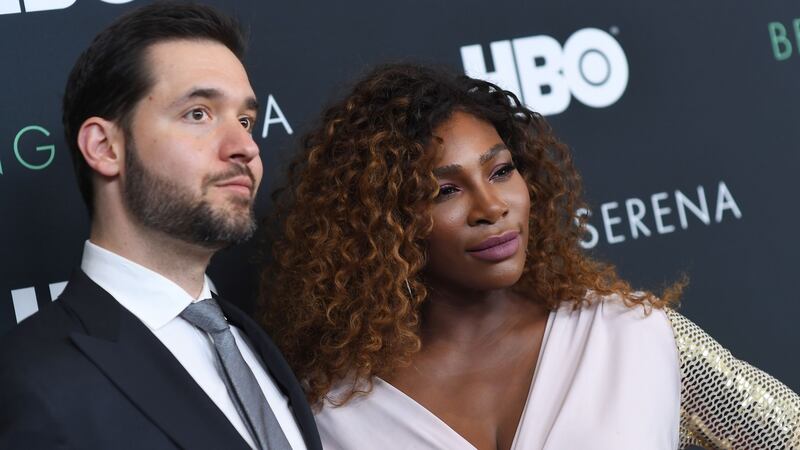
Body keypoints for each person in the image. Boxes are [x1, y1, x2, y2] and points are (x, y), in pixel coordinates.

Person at [261, 63, 799, 449]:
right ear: (381, 224)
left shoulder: (628, 334)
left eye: (500, 171)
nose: (491, 206)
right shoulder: (335, 413)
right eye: (443, 191)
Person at [0, 3, 321, 450]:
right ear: (105, 147)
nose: (245, 146)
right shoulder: (30, 381)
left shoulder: (252, 339)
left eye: (245, 120)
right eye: (198, 114)